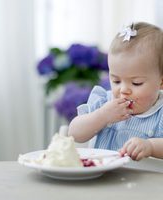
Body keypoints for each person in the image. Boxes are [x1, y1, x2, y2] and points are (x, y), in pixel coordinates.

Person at [68, 22, 163, 161]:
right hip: (101, 178)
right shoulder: (104, 102)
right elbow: (74, 134)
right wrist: (102, 116)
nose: (123, 90)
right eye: (116, 81)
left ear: (161, 82)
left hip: (144, 181)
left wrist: (150, 146)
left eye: (136, 83)